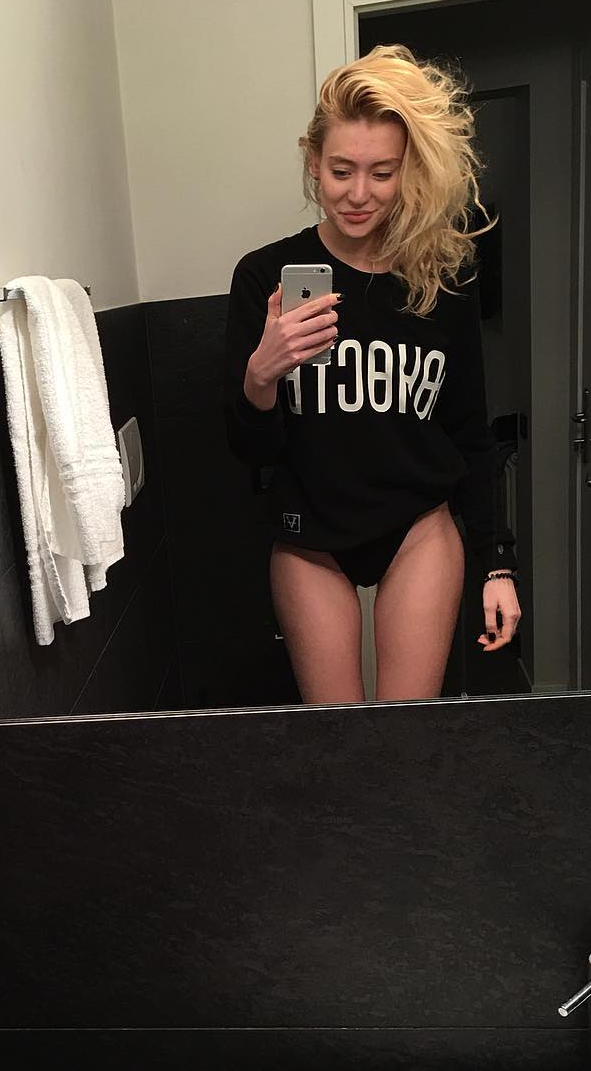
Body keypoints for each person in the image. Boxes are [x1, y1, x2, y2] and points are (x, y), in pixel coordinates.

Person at [225, 43, 521, 705]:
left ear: (407, 169)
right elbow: (251, 452)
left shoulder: (441, 279)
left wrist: (497, 563)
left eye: (382, 172)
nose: (359, 194)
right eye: (341, 170)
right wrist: (261, 375)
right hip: (309, 532)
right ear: (313, 161)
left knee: (403, 738)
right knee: (339, 739)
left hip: (418, 525)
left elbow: (469, 430)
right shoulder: (263, 277)